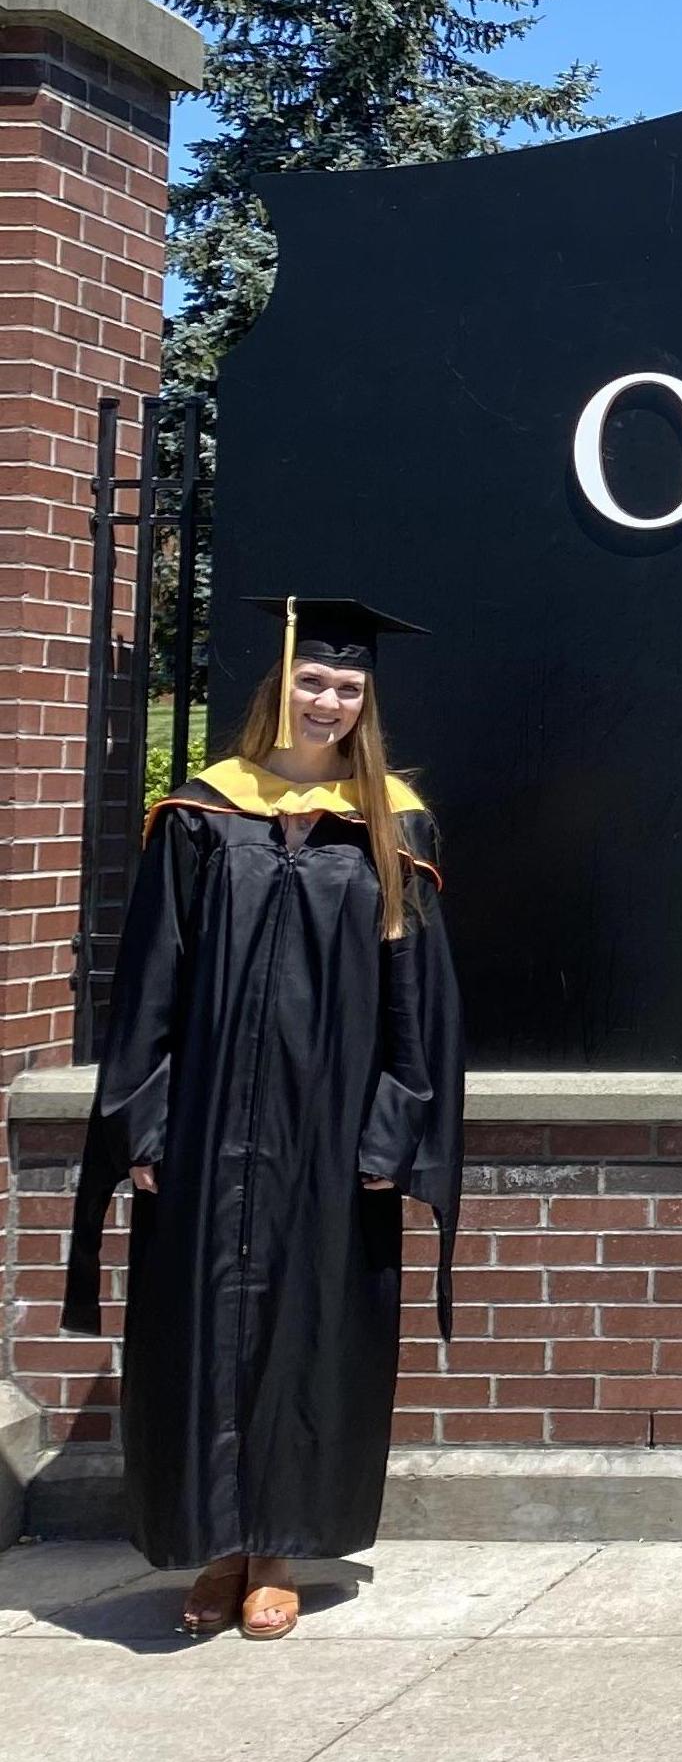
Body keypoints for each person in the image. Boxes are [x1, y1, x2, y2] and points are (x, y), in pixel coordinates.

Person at [64, 596, 464, 1640]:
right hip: (204, 1125)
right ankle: (216, 1549)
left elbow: (416, 998)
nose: (328, 700)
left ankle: (278, 1549)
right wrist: (141, 1125)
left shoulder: (392, 821)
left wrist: (394, 1129)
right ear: (277, 686)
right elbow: (151, 976)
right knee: (200, 1328)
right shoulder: (202, 816)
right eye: (314, 681)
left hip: (330, 1135)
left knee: (307, 1328)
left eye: (347, 688)